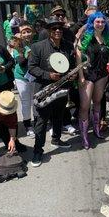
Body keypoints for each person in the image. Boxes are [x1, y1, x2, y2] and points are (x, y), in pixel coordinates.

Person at [28, 16, 76, 167]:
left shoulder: (68, 46)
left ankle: (56, 138)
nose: (57, 31)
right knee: (41, 121)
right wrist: (48, 75)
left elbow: (72, 65)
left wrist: (72, 74)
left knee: (58, 115)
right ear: (49, 30)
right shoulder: (37, 47)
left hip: (62, 87)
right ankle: (37, 151)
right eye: (54, 28)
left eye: (60, 28)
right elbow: (32, 67)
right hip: (44, 89)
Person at [77, 11, 109, 149]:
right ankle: (85, 135)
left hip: (102, 75)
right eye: (97, 21)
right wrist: (80, 75)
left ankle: (97, 129)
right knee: (85, 106)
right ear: (92, 22)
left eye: (102, 22)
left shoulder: (107, 37)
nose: (100, 24)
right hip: (87, 75)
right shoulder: (86, 36)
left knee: (98, 101)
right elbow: (78, 57)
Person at [13, 22, 35, 137]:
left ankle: (37, 122)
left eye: (28, 31)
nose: (27, 34)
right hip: (22, 77)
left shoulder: (36, 43)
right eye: (24, 32)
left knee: (36, 101)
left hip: (34, 76)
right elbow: (21, 62)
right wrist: (28, 55)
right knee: (26, 102)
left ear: (32, 32)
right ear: (20, 34)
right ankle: (28, 125)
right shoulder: (17, 45)